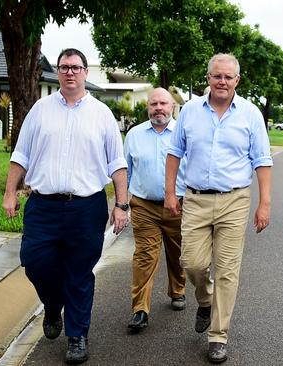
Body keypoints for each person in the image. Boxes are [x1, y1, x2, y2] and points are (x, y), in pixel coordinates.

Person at [2, 48, 129, 365]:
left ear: (86, 72)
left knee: (79, 273)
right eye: (64, 67)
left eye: (75, 67)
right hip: (43, 206)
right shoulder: (40, 110)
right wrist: (9, 192)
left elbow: (117, 163)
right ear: (57, 73)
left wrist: (122, 205)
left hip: (86, 208)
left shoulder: (101, 114)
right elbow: (21, 156)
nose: (69, 72)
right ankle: (52, 303)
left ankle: (77, 336)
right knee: (34, 261)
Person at [165, 53, 273, 364]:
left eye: (228, 77)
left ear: (237, 80)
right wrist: (170, 191)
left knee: (227, 271)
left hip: (234, 200)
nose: (222, 81)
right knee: (192, 263)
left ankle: (218, 335)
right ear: (208, 78)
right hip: (196, 198)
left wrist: (264, 203)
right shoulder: (189, 111)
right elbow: (174, 152)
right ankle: (204, 299)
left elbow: (262, 160)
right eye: (217, 76)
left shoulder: (251, 114)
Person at [123, 87, 187, 332]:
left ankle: (178, 289)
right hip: (144, 207)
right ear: (148, 107)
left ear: (172, 107)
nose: (158, 108)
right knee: (145, 256)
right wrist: (120, 205)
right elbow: (125, 171)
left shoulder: (183, 134)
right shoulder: (135, 134)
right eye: (153, 104)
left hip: (179, 207)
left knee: (179, 254)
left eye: (163, 103)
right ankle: (140, 309)